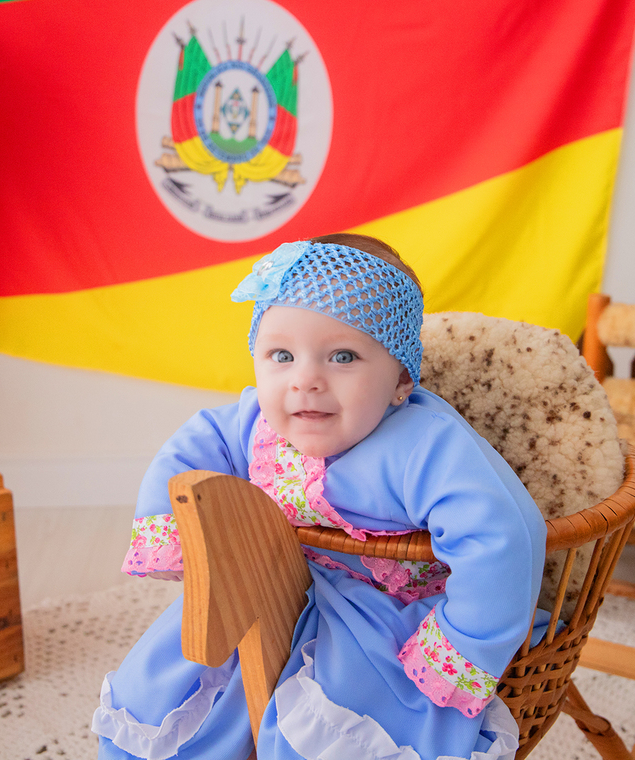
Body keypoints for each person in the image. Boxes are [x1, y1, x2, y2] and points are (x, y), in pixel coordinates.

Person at [92, 234, 547, 760]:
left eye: (343, 356)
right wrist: (170, 531)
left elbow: (501, 535)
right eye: (281, 355)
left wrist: (464, 642)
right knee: (180, 682)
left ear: (400, 377)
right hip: (281, 585)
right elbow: (189, 451)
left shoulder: (424, 443)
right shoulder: (253, 424)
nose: (305, 380)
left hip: (386, 610)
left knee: (331, 724)